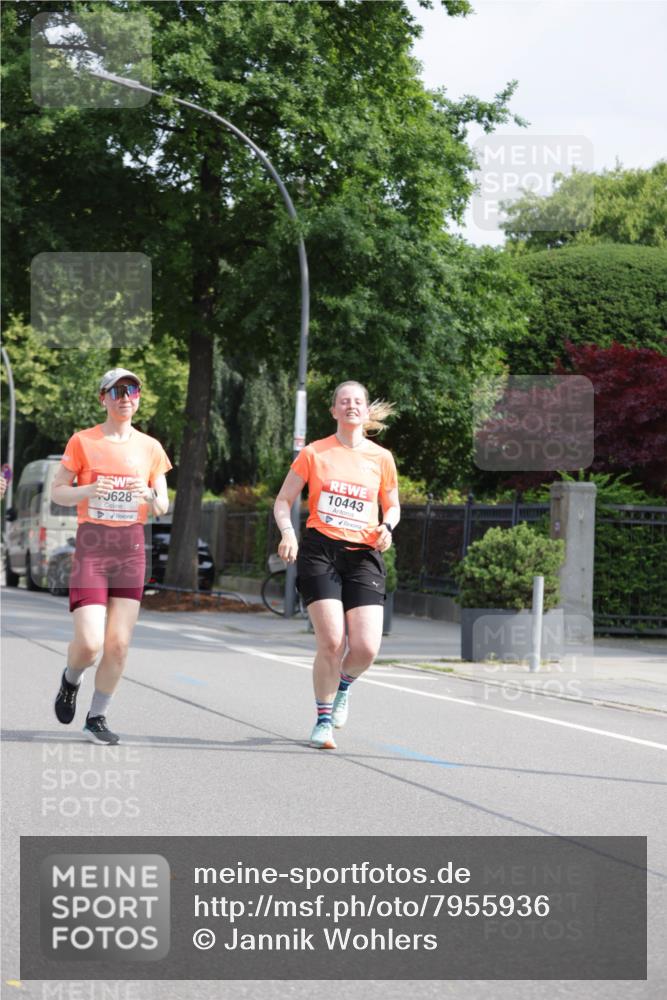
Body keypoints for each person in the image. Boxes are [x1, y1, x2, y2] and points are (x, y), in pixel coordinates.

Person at [274, 380, 400, 750]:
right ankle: (323, 720)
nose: (351, 406)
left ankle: (343, 686)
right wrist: (288, 533)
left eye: (357, 401)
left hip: (363, 554)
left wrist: (387, 526)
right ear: (333, 411)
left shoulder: (381, 458)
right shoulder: (315, 453)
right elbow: (283, 501)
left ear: (365, 410)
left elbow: (391, 504)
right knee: (332, 640)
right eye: (343, 402)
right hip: (320, 551)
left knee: (365, 648)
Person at [50, 368, 171, 745]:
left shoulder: (150, 447)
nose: (124, 396)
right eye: (116, 390)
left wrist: (150, 496)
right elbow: (57, 492)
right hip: (93, 547)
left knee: (118, 645)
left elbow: (162, 505)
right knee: (89, 644)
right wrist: (87, 489)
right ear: (103, 398)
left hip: (131, 549)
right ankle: (71, 679)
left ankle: (97, 717)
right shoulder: (83, 441)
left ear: (138, 397)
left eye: (131, 389)